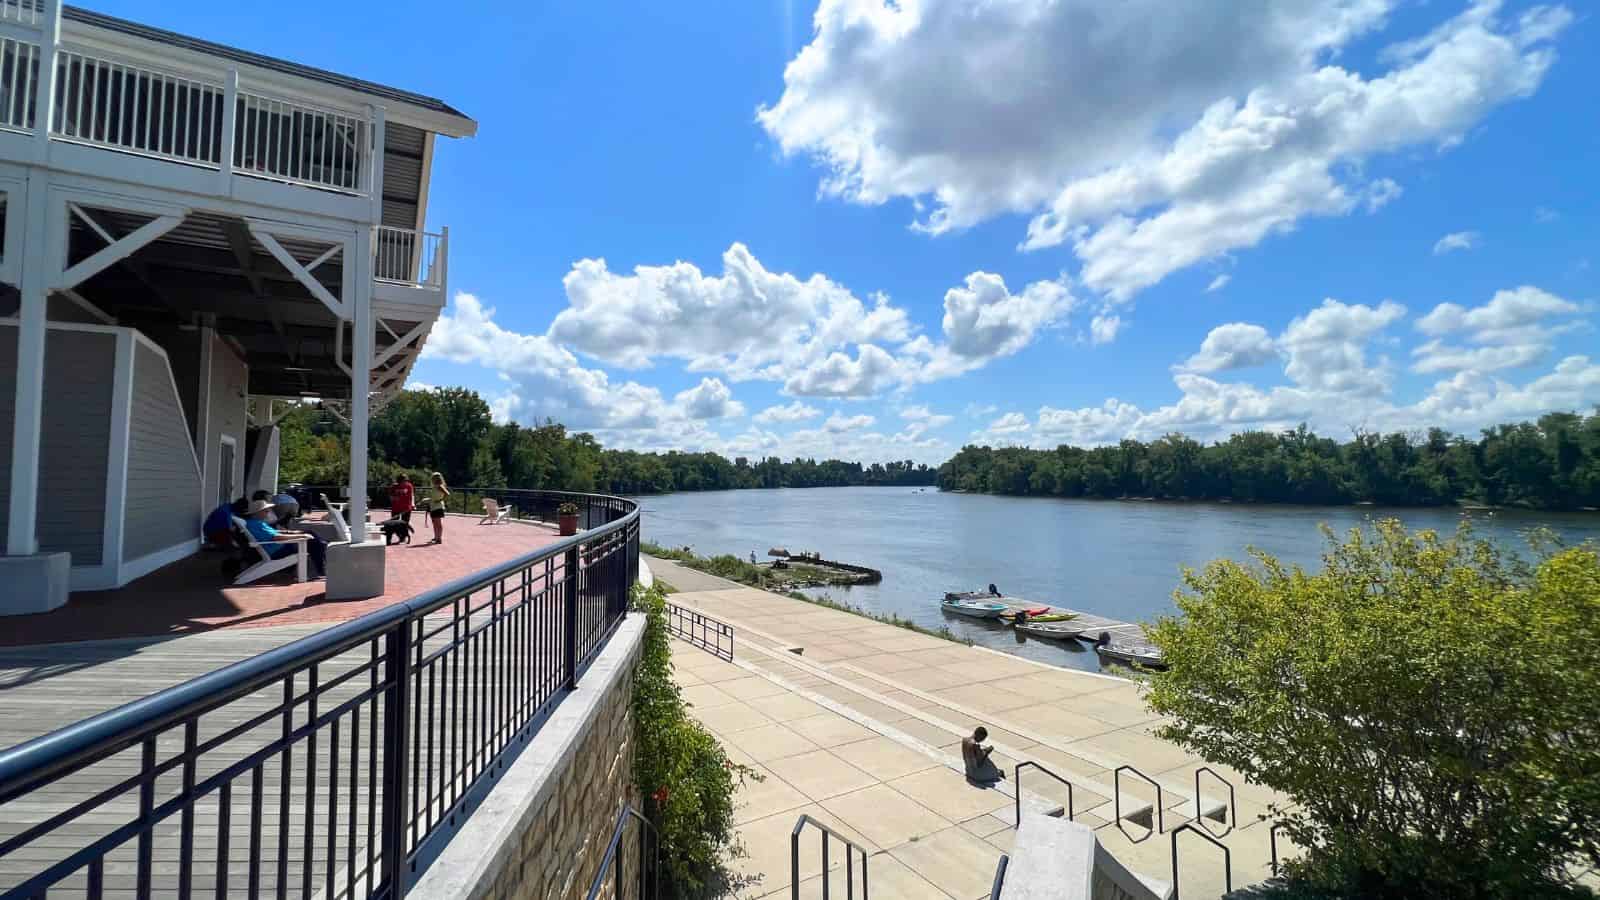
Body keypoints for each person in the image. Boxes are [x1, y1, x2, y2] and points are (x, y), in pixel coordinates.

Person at [244, 499, 326, 577]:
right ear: (257, 513)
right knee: (313, 543)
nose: (268, 512)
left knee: (310, 533)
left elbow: (275, 533)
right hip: (278, 550)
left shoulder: (259, 522)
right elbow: (276, 538)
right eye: (265, 510)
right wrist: (301, 536)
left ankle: (322, 548)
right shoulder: (255, 525)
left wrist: (292, 532)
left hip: (280, 546)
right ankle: (321, 569)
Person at [426, 472, 451, 544]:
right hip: (433, 506)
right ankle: (436, 537)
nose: (432, 479)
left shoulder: (440, 486)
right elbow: (433, 497)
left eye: (433, 478)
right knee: (434, 522)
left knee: (438, 523)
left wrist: (440, 500)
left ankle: (439, 538)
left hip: (438, 507)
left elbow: (447, 494)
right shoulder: (434, 486)